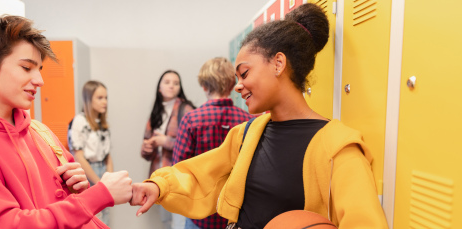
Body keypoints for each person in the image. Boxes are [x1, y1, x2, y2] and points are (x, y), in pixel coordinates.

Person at [131, 4, 388, 229]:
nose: (239, 86)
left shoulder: (339, 147)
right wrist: (158, 186)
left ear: (278, 64)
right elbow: (201, 175)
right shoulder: (246, 134)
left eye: (244, 73)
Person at [0, 16, 132, 229]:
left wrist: (77, 188)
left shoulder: (39, 131)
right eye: (27, 68)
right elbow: (8, 225)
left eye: (39, 69)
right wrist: (98, 196)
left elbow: (66, 206)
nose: (39, 80)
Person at [173, 57, 254, 229]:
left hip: (200, 216)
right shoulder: (248, 122)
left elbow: (179, 169)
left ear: (204, 86)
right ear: (233, 85)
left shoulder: (191, 120)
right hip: (234, 215)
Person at [141, 70, 195, 229]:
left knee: (179, 223)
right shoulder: (156, 112)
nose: (171, 85)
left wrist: (165, 141)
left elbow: (192, 145)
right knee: (166, 222)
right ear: (159, 87)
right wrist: (147, 147)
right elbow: (145, 153)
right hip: (159, 178)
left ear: (179, 87)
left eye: (175, 83)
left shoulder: (186, 109)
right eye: (167, 82)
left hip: (179, 178)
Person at [69, 80, 113, 224]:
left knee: (105, 216)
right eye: (100, 98)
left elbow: (107, 155)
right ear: (88, 100)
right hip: (88, 172)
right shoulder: (79, 121)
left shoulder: (102, 122)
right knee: (93, 218)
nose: (104, 102)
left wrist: (109, 177)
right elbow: (79, 156)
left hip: (103, 170)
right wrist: (99, 182)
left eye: (106, 98)